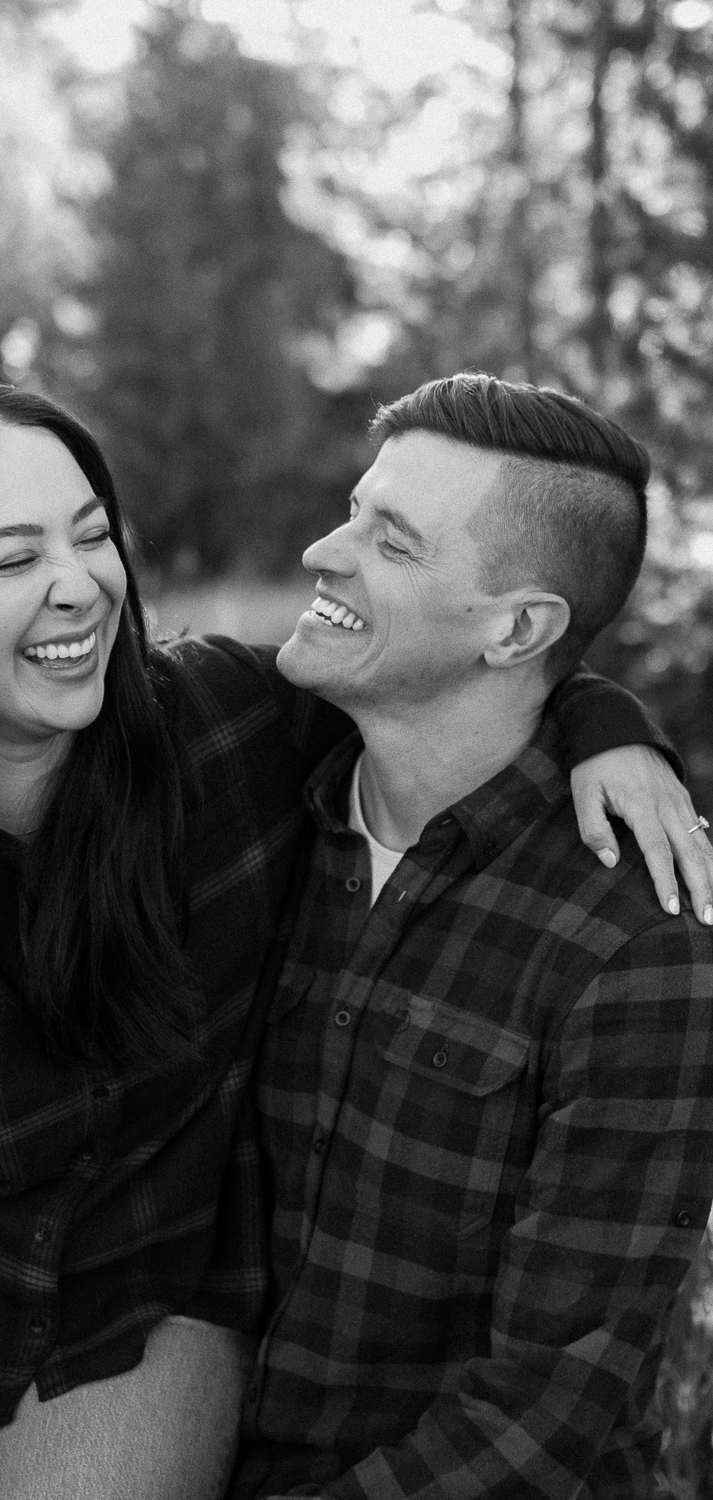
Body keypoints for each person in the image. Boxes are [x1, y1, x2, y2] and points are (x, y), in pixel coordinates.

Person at [0, 378, 703, 1500]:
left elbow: (463, 689)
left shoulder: (217, 734)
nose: (78, 585)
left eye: (92, 535)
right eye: (8, 559)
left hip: (128, 1299)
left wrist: (607, 723)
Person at [229, 374, 713, 1500]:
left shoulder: (640, 940)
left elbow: (542, 1418)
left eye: (388, 541)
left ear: (515, 629)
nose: (320, 552)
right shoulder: (255, 803)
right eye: (353, 510)